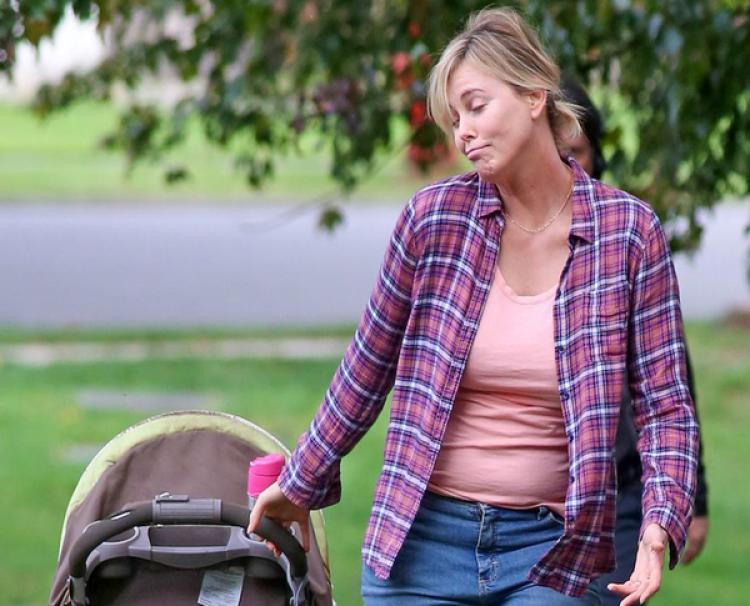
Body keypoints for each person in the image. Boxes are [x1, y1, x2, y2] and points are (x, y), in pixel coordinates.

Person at [248, 8, 699, 605]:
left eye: (476, 107)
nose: (462, 132)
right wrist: (300, 480)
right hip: (420, 544)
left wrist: (659, 523)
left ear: (535, 95)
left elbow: (666, 405)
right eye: (454, 118)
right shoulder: (433, 219)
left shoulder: (629, 232)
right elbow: (366, 369)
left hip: (553, 552)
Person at [558, 76, 710, 605]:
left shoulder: (629, 238)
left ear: (597, 156)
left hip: (619, 491)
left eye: (578, 151)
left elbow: (671, 386)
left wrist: (693, 499)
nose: (566, 164)